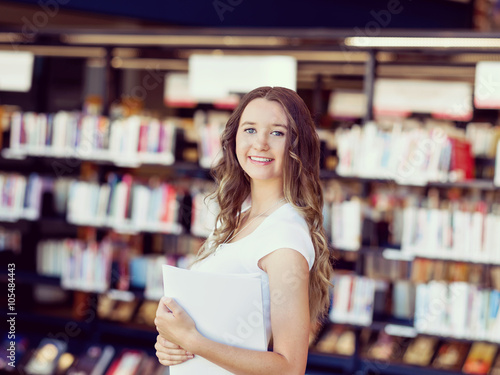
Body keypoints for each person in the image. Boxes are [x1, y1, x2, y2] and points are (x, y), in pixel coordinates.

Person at [154, 86, 333, 374]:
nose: (260, 143)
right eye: (250, 130)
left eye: (277, 132)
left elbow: (290, 368)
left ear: (297, 146)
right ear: (234, 138)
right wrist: (174, 342)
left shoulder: (284, 238)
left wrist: (192, 340)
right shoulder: (239, 217)